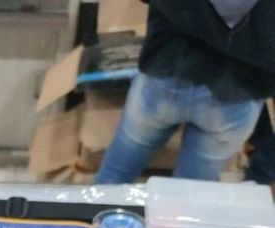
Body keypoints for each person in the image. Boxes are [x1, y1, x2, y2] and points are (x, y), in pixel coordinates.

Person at [95, 0, 275, 183]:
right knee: (188, 192)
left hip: (169, 69)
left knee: (114, 176)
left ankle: (103, 199)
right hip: (237, 92)